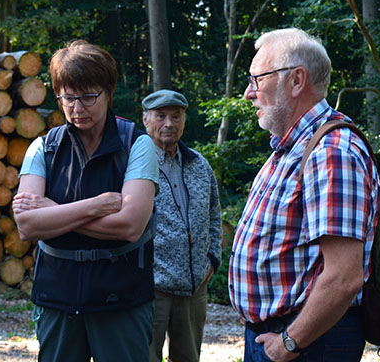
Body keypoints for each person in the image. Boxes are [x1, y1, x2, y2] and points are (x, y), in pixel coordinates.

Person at [228, 28, 380, 362]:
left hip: (307, 344)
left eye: (256, 80)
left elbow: (343, 276)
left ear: (296, 81)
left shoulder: (332, 151)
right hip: (283, 338)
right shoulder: (293, 148)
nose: (247, 93)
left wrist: (289, 344)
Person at [12, 40, 159, 362]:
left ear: (109, 92)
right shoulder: (44, 148)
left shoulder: (137, 144)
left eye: (89, 96)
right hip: (57, 296)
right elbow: (27, 224)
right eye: (68, 97)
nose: (78, 109)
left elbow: (130, 225)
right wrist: (95, 206)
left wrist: (54, 212)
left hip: (121, 298)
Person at [141, 89, 223, 362]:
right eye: (161, 116)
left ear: (184, 121)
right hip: (150, 289)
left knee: (188, 358)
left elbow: (214, 214)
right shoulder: (135, 166)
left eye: (176, 117)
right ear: (145, 119)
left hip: (194, 288)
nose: (169, 123)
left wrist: (212, 259)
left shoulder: (199, 165)